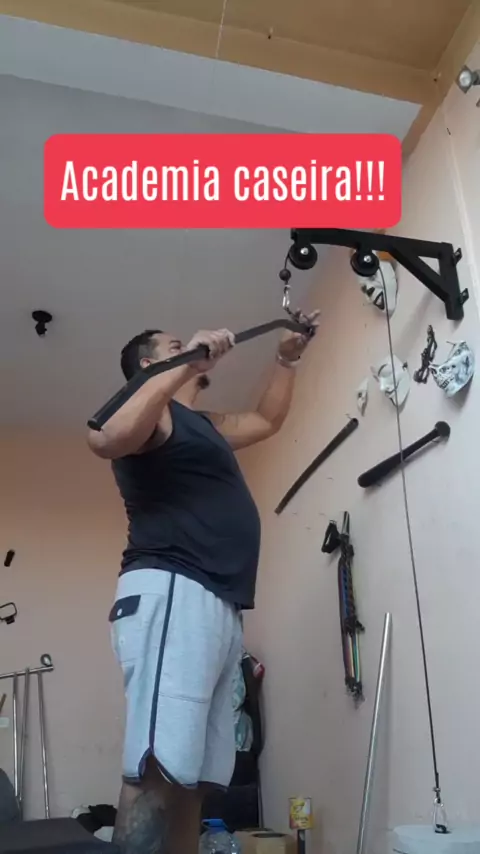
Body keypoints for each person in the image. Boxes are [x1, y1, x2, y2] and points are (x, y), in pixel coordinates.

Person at [87, 316, 318, 854]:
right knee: (155, 767)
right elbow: (105, 438)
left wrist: (286, 358)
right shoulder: (149, 415)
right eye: (174, 345)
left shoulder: (203, 425)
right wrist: (184, 361)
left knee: (190, 778)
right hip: (173, 588)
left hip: (218, 602)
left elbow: (265, 419)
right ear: (150, 365)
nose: (190, 346)